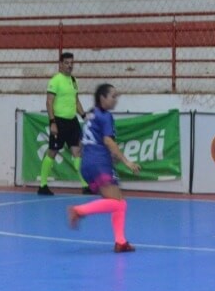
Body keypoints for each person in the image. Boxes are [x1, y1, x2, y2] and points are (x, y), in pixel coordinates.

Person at [66, 83, 142, 252]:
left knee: (120, 203)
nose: (115, 100)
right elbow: (108, 141)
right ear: (102, 98)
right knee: (117, 203)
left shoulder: (91, 114)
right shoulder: (105, 116)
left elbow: (81, 145)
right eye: (113, 96)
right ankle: (79, 210)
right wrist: (126, 161)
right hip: (98, 163)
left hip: (88, 163)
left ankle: (121, 242)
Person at [38, 51, 87, 196]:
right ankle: (43, 186)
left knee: (77, 152)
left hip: (72, 121)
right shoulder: (55, 81)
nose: (69, 66)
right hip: (59, 121)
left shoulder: (73, 81)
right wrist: (52, 122)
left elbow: (76, 101)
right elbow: (49, 102)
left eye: (71, 63)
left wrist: (84, 115)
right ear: (60, 64)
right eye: (66, 63)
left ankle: (85, 185)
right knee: (52, 152)